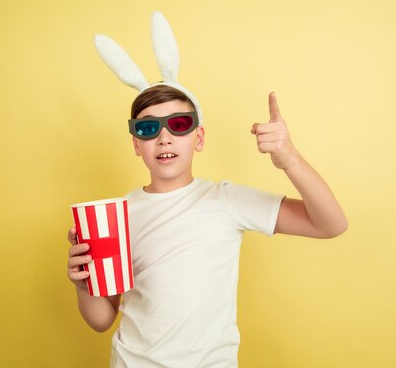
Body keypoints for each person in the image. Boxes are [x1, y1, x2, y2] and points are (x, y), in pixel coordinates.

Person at [66, 83, 348, 367]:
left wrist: (290, 160)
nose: (164, 138)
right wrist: (83, 285)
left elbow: (330, 224)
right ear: (136, 144)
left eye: (179, 124)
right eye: (148, 129)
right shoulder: (116, 216)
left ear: (198, 138)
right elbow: (102, 320)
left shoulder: (226, 200)